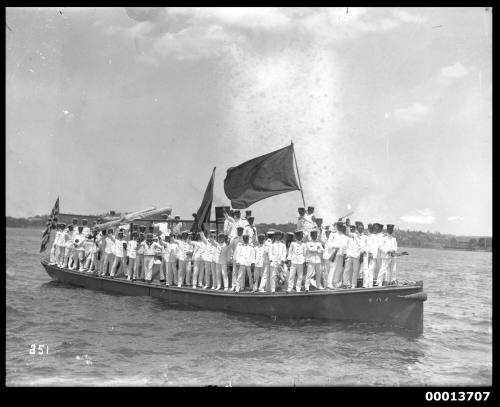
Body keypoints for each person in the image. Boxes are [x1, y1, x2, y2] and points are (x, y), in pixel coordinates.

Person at [327, 222, 347, 289]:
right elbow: (329, 244)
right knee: (332, 268)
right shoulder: (333, 234)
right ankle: (329, 283)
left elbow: (344, 246)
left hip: (341, 254)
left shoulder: (343, 236)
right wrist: (335, 247)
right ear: (337, 226)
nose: (340, 227)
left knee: (339, 269)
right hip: (334, 253)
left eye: (341, 226)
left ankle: (335, 283)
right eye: (339, 226)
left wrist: (344, 253)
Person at [229, 226, 245, 290]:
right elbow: (230, 247)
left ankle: (241, 286)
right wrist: (231, 255)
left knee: (242, 272)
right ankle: (234, 285)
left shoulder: (244, 238)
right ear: (237, 231)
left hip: (242, 258)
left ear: (242, 231)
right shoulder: (234, 238)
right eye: (239, 231)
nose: (240, 232)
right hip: (235, 257)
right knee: (234, 272)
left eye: (241, 231)